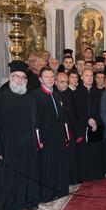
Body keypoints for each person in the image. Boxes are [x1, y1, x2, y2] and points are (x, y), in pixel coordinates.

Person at [0, 60, 40, 210]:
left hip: (28, 144)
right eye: (17, 77)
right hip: (7, 146)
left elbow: (36, 123)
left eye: (23, 78)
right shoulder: (0, 98)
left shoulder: (30, 99)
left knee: (28, 172)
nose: (20, 80)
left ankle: (29, 200)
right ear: (11, 78)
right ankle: (8, 205)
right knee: (9, 176)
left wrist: (38, 141)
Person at [32, 67, 69, 202]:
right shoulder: (36, 96)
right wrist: (39, 140)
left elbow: (64, 118)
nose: (50, 80)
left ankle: (60, 190)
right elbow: (35, 121)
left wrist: (66, 136)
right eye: (46, 77)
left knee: (60, 163)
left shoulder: (58, 95)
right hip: (46, 138)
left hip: (58, 136)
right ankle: (47, 194)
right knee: (47, 165)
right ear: (40, 79)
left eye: (52, 77)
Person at [72, 69, 105, 182]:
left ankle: (97, 174)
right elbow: (77, 110)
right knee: (83, 152)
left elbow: (102, 110)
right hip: (82, 125)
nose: (89, 78)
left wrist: (95, 120)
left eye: (91, 76)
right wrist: (88, 120)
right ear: (81, 77)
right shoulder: (76, 93)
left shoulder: (98, 93)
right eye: (87, 76)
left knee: (96, 150)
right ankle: (83, 175)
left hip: (96, 125)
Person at [54, 72, 78, 185]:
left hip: (71, 130)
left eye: (66, 82)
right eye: (62, 82)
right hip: (58, 132)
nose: (65, 85)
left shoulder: (72, 94)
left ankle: (72, 178)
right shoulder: (53, 94)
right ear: (55, 82)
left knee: (72, 157)